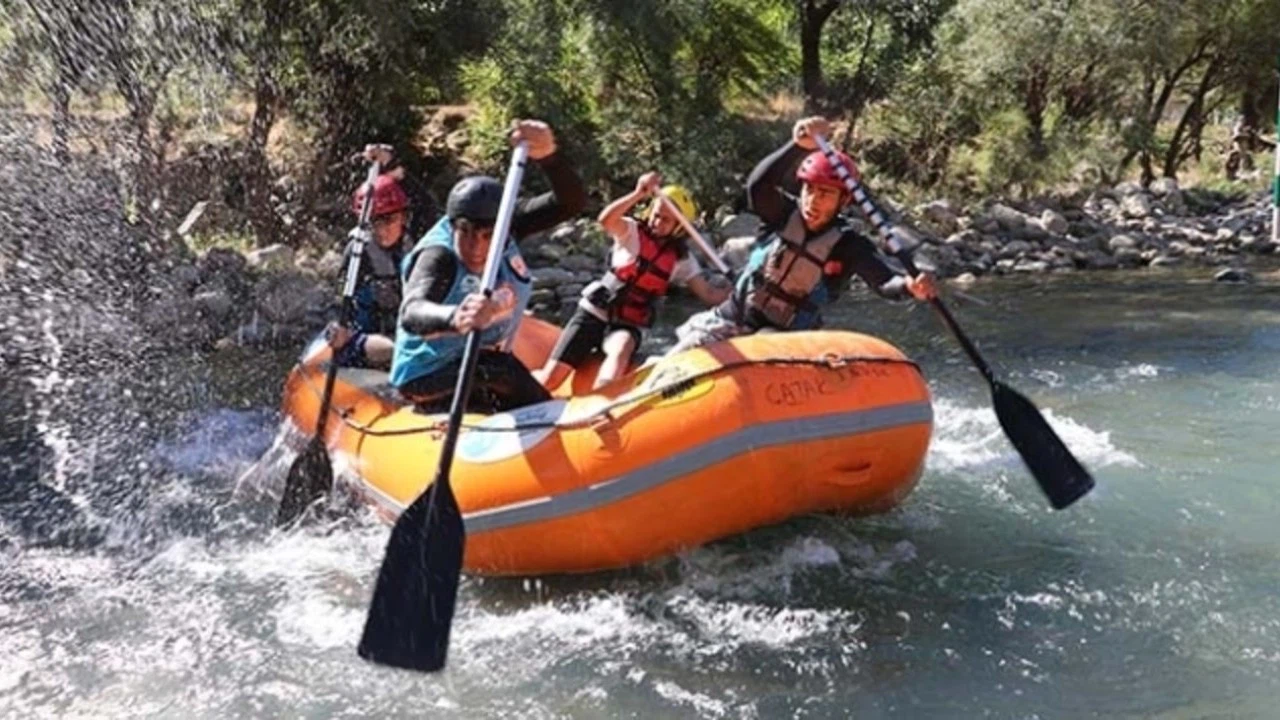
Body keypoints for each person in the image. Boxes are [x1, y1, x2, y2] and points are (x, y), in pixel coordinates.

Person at [668, 116, 938, 354]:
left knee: (765, 343)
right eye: (809, 190)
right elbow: (758, 185)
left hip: (786, 337)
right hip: (732, 319)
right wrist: (797, 145)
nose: (813, 201)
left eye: (825, 194)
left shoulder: (848, 245)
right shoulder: (782, 215)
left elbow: (885, 282)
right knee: (680, 355)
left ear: (843, 201)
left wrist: (909, 286)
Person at [390, 120, 587, 413]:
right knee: (498, 368)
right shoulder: (438, 256)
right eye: (465, 231)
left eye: (487, 235)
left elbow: (570, 202)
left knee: (496, 366)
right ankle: (553, 420)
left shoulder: (508, 224)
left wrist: (549, 156)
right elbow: (412, 311)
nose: (476, 246)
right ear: (453, 223)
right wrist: (457, 316)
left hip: (479, 361)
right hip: (428, 374)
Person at [533, 173, 730, 391]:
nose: (657, 222)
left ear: (679, 227)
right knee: (550, 380)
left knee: (621, 348)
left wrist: (740, 289)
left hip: (627, 323)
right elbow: (605, 220)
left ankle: (601, 401)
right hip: (595, 312)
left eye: (665, 220)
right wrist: (638, 194)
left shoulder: (683, 261)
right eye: (655, 215)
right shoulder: (632, 231)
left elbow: (709, 295)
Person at [327, 146, 411, 369]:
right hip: (365, 340)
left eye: (389, 221)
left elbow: (419, 193)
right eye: (375, 223)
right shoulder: (358, 251)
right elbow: (340, 298)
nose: (382, 231)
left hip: (408, 333)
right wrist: (338, 326)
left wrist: (389, 162)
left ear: (403, 217)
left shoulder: (417, 242)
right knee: (398, 350)